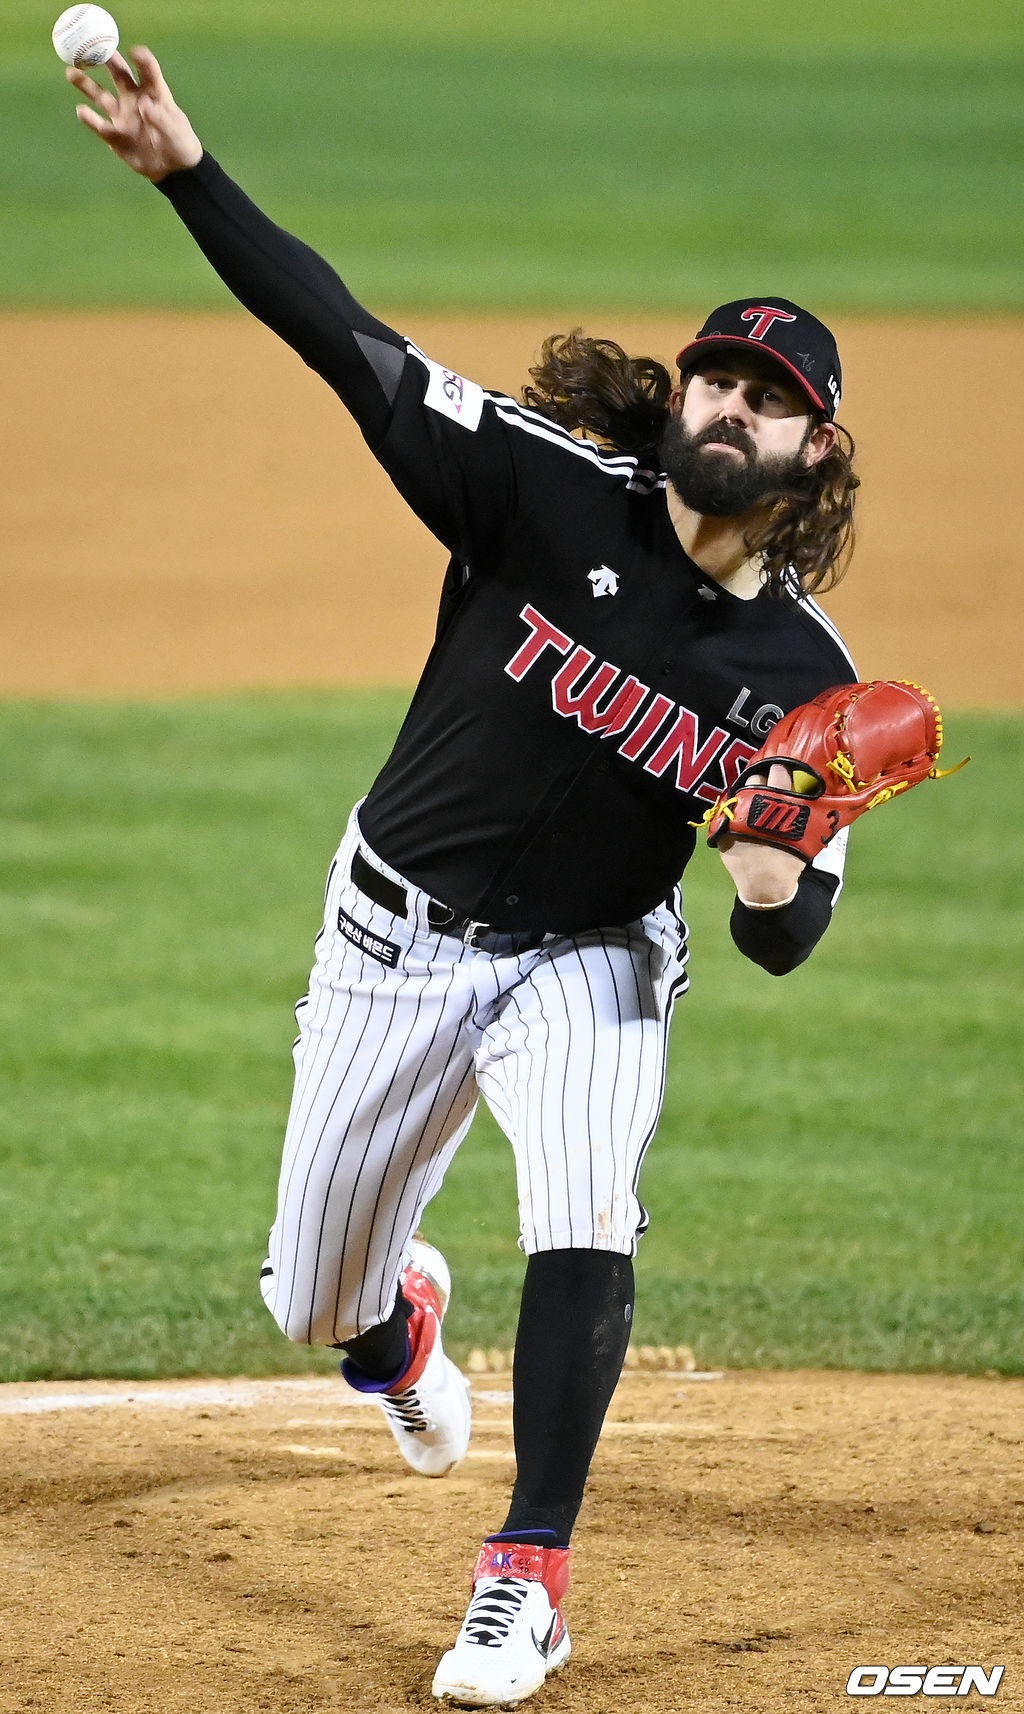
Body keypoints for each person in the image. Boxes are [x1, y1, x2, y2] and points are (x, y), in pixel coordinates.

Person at [66, 46, 860, 1709]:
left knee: (584, 1197)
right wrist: (187, 172)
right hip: (391, 938)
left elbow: (790, 935)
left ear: (813, 447)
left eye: (769, 396)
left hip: (593, 955)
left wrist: (768, 878)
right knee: (313, 1298)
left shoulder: (812, 686)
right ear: (681, 401)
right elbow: (348, 345)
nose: (731, 405)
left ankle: (528, 1575)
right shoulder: (540, 487)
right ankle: (395, 1330)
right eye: (716, 378)